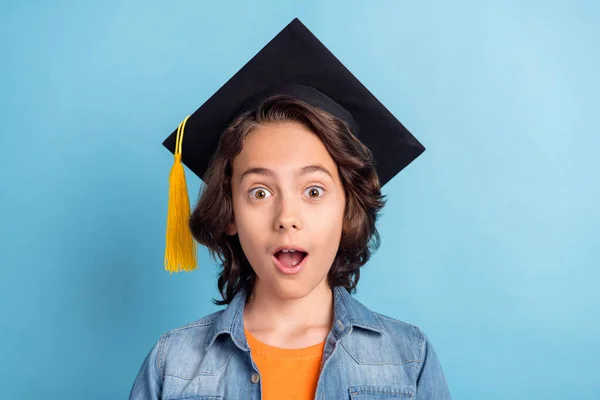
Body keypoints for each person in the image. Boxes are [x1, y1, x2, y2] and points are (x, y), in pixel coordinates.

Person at [129, 18, 451, 400]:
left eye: (313, 190)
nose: (286, 218)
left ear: (347, 206)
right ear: (229, 213)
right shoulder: (174, 366)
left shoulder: (408, 360)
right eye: (260, 192)